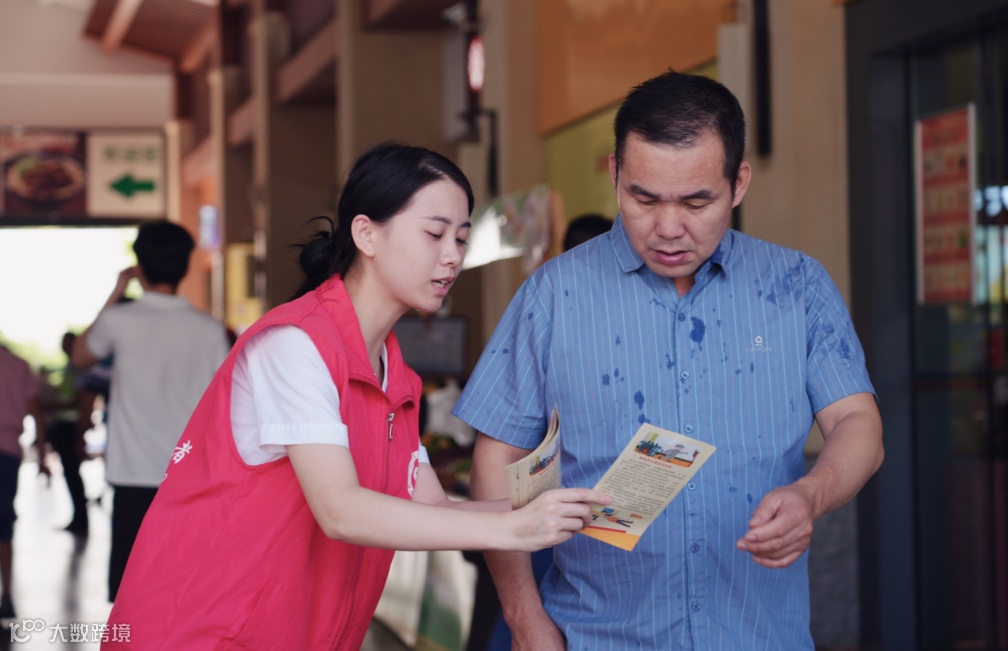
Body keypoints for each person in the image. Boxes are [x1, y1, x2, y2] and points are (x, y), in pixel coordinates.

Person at [101, 142, 608, 650]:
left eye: (461, 237)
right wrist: (513, 529)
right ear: (366, 233)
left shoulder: (394, 375)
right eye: (434, 234)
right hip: (203, 635)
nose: (453, 255)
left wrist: (561, 509)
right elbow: (340, 510)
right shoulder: (295, 345)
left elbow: (435, 507)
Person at [453, 69, 885, 650]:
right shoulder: (553, 295)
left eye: (696, 201)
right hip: (599, 636)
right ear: (615, 174)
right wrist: (524, 617)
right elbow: (497, 458)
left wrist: (812, 494)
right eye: (645, 198)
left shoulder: (797, 287)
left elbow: (858, 424)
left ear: (738, 183)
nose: (668, 228)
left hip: (758, 636)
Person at [72, 220, 232, 601]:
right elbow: (225, 405)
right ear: (186, 266)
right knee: (183, 594)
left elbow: (80, 356)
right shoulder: (210, 330)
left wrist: (118, 288)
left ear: (139, 267)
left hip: (131, 476)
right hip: (190, 478)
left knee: (132, 597)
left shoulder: (120, 321)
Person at [0, 343, 49, 620]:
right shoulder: (18, 366)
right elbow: (36, 413)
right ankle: (6, 593)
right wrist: (42, 454)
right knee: (4, 524)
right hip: (7, 452)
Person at [39, 331, 96, 536]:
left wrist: (80, 434)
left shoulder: (80, 369)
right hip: (64, 426)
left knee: (73, 473)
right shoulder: (70, 369)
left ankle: (81, 518)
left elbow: (81, 399)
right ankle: (79, 517)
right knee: (71, 473)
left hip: (71, 427)